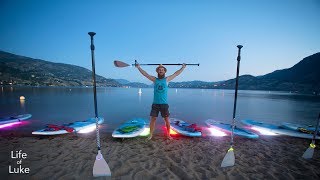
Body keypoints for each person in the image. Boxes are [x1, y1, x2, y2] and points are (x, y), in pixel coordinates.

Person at [135, 62, 186, 140]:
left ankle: (168, 135)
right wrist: (138, 67)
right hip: (155, 104)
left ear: (165, 71)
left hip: (164, 104)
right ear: (157, 72)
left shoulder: (167, 79)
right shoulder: (155, 80)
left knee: (166, 120)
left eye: (162, 70)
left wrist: (183, 68)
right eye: (159, 70)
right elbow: (145, 74)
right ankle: (150, 135)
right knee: (153, 119)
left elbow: (176, 74)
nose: (161, 71)